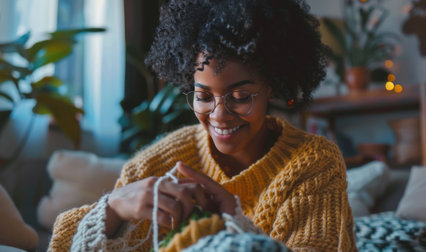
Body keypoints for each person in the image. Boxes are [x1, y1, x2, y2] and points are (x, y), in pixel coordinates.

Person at [48, 0, 356, 251]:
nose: (219, 115)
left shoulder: (313, 163)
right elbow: (60, 245)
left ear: (271, 87)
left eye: (240, 96)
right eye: (203, 96)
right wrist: (112, 209)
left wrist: (234, 223)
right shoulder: (159, 163)